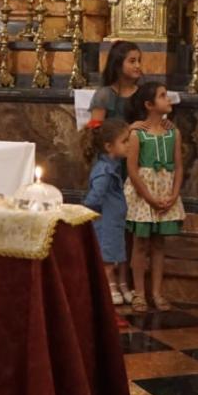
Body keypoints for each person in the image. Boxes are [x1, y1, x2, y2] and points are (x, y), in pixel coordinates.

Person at [124, 83, 185, 313]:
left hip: (166, 193)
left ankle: (157, 292)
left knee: (159, 244)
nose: (168, 99)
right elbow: (132, 170)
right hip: (144, 196)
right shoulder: (137, 134)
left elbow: (179, 166)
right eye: (162, 96)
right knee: (140, 245)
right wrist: (149, 198)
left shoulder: (173, 132)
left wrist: (174, 194)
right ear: (149, 105)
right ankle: (139, 293)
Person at [82, 118, 134, 307]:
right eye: (124, 141)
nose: (129, 145)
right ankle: (109, 286)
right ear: (108, 146)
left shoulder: (113, 166)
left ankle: (121, 284)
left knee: (117, 254)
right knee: (108, 258)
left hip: (115, 221)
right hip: (106, 222)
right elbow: (95, 197)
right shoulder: (104, 171)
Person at [89, 41, 143, 124]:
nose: (138, 66)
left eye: (139, 61)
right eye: (132, 61)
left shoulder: (143, 92)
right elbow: (95, 131)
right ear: (118, 64)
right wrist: (128, 130)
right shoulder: (104, 95)